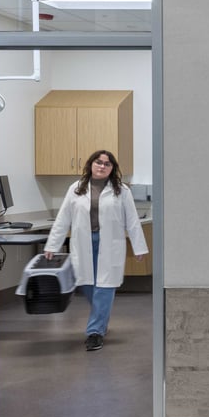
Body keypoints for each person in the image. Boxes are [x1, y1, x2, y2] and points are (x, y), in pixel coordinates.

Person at [44, 150, 148, 351]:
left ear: (112, 169)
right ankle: (101, 319)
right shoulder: (76, 188)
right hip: (84, 242)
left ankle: (95, 332)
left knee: (105, 287)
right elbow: (63, 218)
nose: (102, 166)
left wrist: (139, 246)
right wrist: (52, 245)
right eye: (98, 162)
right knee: (88, 285)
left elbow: (132, 221)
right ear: (91, 164)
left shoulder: (121, 190)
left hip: (109, 243)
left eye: (107, 164)